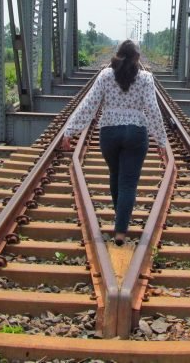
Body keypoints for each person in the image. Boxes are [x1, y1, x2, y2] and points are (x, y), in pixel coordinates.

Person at [60, 40, 167, 245]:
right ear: (137, 58)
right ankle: (121, 230)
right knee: (128, 183)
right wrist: (161, 141)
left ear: (118, 55)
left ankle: (120, 219)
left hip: (109, 132)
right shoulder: (145, 78)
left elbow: (89, 105)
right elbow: (153, 110)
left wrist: (70, 131)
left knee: (115, 175)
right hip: (136, 132)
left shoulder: (105, 75)